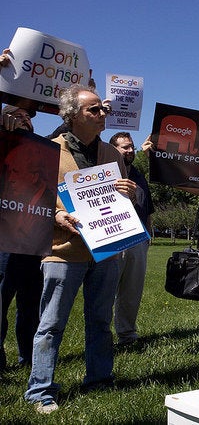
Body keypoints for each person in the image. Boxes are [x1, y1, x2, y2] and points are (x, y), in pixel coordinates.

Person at [24, 85, 137, 414]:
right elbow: (32, 196)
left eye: (102, 109)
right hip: (63, 252)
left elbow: (120, 201)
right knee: (51, 324)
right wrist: (57, 214)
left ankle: (99, 378)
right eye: (94, 110)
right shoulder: (48, 150)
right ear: (72, 116)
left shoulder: (112, 155)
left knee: (100, 321)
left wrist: (128, 192)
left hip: (106, 251)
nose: (103, 114)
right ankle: (41, 390)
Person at [0, 105, 46, 372]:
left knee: (30, 305)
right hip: (4, 241)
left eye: (28, 118)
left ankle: (28, 359)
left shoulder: (43, 152)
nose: (25, 120)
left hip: (32, 242)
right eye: (18, 116)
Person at [109, 132, 154, 346]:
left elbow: (148, 205)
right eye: (124, 147)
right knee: (105, 290)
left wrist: (149, 232)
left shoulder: (137, 174)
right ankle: (100, 335)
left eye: (131, 147)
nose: (129, 151)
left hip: (138, 238)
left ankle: (126, 335)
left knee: (131, 291)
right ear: (113, 149)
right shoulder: (106, 172)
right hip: (114, 237)